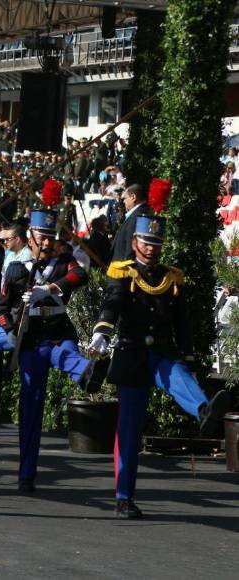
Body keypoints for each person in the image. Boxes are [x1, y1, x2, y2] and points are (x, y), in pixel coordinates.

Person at [88, 178, 229, 519]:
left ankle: (204, 413)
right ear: (135, 242)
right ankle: (124, 497)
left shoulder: (171, 278)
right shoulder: (123, 272)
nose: (151, 248)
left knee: (179, 375)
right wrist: (102, 332)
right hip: (132, 354)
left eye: (156, 243)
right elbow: (113, 302)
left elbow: (183, 323)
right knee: (130, 428)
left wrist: (191, 356)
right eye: (146, 241)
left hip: (161, 353)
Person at [0, 180, 99, 493]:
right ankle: (26, 472)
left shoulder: (63, 264)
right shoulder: (15, 270)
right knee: (31, 407)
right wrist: (10, 332)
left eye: (50, 236)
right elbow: (2, 308)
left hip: (56, 331)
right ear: (31, 236)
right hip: (30, 338)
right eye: (41, 236)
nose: (46, 241)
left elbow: (81, 275)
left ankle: (87, 374)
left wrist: (49, 289)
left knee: (66, 355)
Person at [111, 183, 150, 261]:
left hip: (124, 268)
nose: (123, 202)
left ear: (133, 197)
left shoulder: (138, 216)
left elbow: (131, 249)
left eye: (124, 198)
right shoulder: (136, 215)